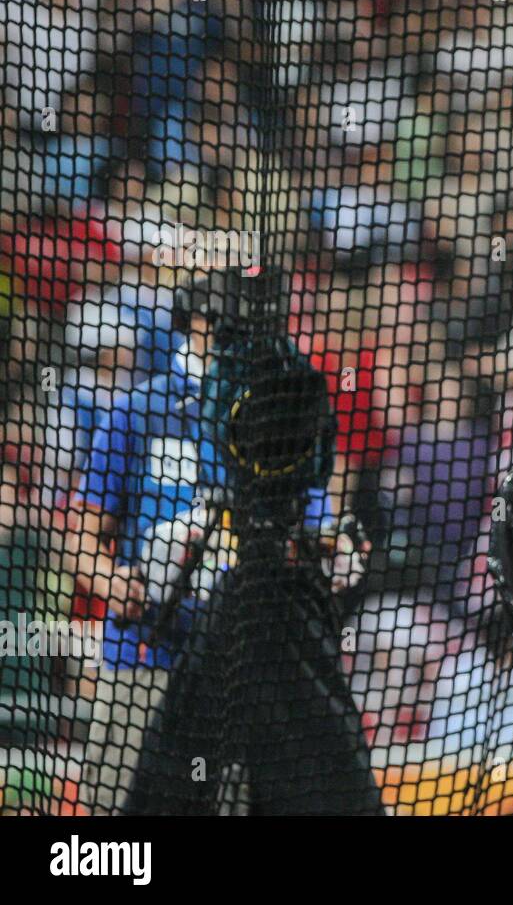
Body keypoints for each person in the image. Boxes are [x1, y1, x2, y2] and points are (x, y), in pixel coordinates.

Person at [67, 267, 337, 813]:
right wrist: (113, 582)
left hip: (238, 668)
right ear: (197, 324)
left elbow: (319, 532)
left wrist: (325, 551)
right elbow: (81, 534)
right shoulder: (138, 410)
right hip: (146, 658)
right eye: (233, 331)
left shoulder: (278, 416)